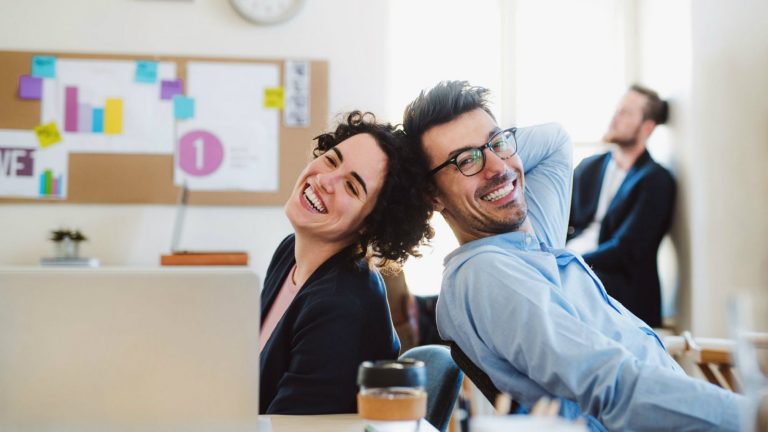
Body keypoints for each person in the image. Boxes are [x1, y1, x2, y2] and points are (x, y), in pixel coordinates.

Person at [402, 81, 745, 431]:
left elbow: (555, 141)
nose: (497, 167)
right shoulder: (488, 273)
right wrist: (752, 416)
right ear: (432, 196)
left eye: (498, 142)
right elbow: (613, 384)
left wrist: (485, 151)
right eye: (465, 160)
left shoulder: (529, 237)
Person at [259, 111, 433, 414]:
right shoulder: (290, 253)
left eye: (352, 187)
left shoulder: (342, 306)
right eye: (331, 159)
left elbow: (290, 425)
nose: (325, 180)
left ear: (371, 223)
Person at [567, 84, 675, 327]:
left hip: (620, 288)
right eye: (617, 110)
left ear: (647, 128)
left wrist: (571, 262)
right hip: (574, 267)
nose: (615, 117)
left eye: (626, 113)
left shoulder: (656, 180)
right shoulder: (589, 167)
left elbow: (626, 251)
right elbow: (561, 221)